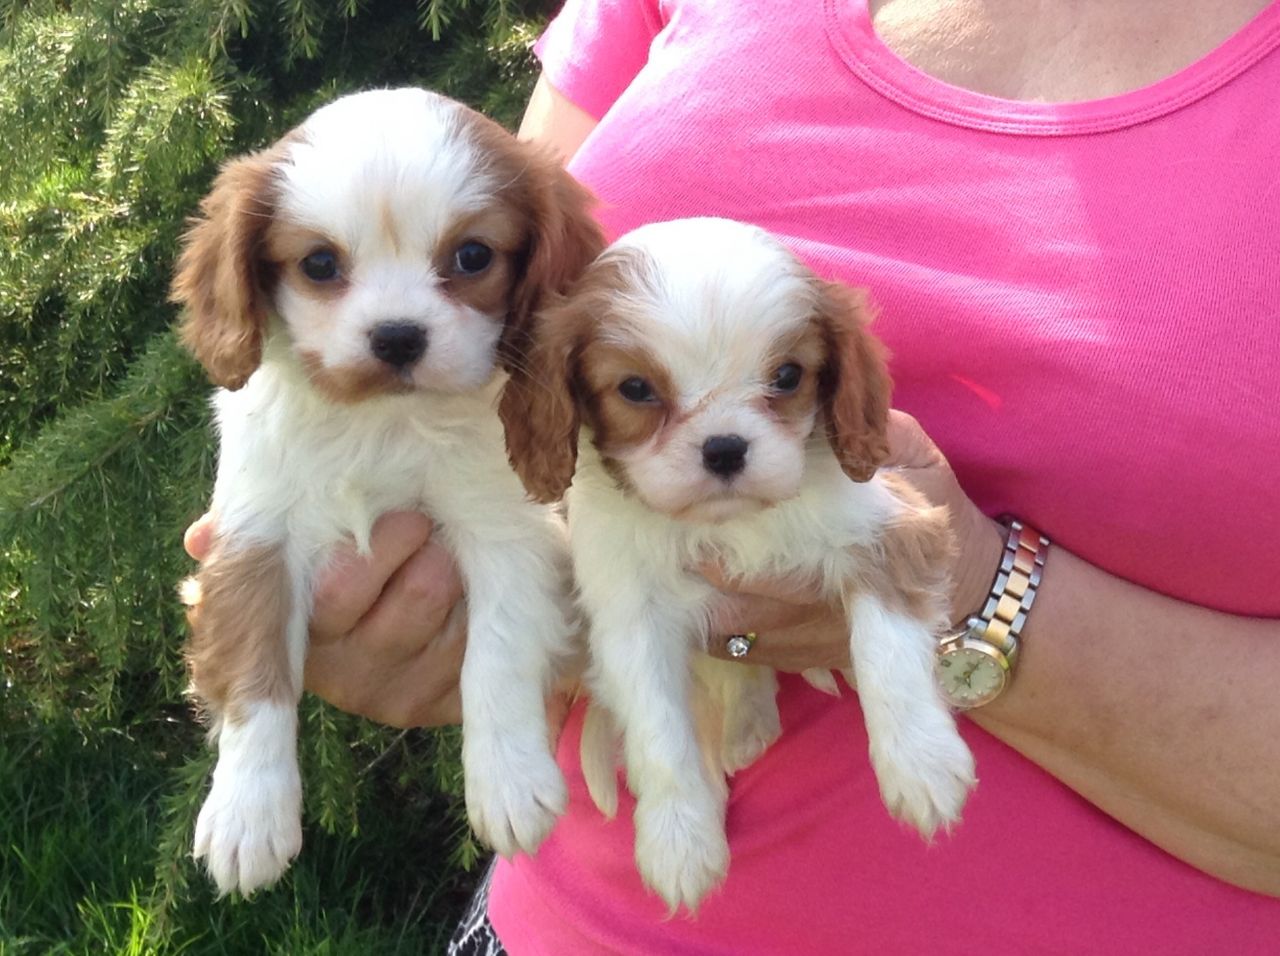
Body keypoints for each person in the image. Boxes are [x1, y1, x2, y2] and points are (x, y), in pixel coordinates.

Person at [186, 0, 1280, 950]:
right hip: (569, 924)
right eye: (322, 270)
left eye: (462, 263)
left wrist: (971, 597)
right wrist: (451, 632)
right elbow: (528, 342)